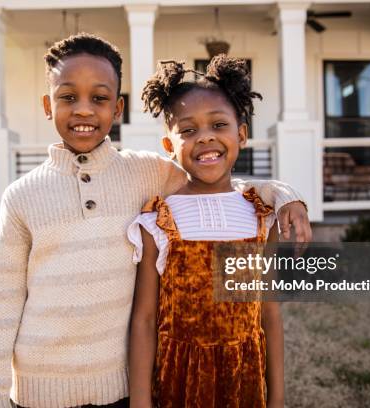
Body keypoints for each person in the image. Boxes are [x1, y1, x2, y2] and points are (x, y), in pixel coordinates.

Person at [0, 33, 302, 408]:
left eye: (99, 98)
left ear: (117, 109)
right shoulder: (21, 196)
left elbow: (217, 183)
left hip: (119, 389)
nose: (83, 110)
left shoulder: (145, 173)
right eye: (68, 97)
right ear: (48, 106)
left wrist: (282, 194)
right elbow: (2, 302)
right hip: (38, 392)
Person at [128, 56, 284, 408]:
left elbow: (269, 315)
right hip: (178, 381)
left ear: (241, 134)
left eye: (218, 124)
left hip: (244, 377)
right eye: (188, 130)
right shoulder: (160, 219)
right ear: (169, 147)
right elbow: (144, 319)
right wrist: (140, 402)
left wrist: (277, 399)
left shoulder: (262, 217)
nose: (205, 138)